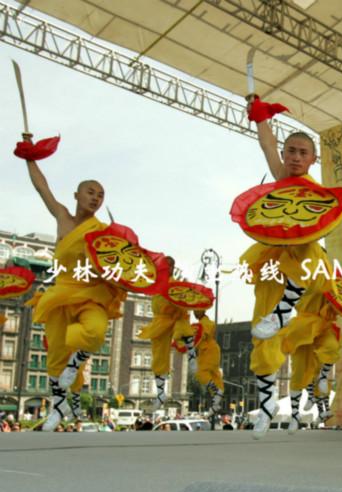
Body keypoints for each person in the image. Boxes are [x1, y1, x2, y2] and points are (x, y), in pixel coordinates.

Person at [20, 133, 127, 432]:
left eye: (101, 195)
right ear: (77, 195)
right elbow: (42, 188)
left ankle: (75, 362)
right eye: (91, 192)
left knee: (94, 332)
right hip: (60, 292)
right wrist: (30, 156)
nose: (96, 197)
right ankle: (57, 410)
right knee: (54, 355)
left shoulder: (104, 231)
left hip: (90, 293)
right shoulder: (63, 218)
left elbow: (119, 262)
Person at [242, 98, 335, 437]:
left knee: (311, 259)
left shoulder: (318, 195)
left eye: (302, 152)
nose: (295, 157)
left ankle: (283, 313)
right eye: (291, 151)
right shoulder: (281, 179)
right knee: (260, 335)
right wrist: (261, 116)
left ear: (313, 159)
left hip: (304, 258)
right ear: (285, 155)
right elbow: (266, 142)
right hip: (270, 260)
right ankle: (266, 406)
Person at [138, 257, 195, 410]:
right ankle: (161, 394)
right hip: (160, 321)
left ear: (171, 268)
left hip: (176, 318)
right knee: (158, 359)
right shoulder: (156, 284)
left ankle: (192, 356)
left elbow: (184, 303)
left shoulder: (175, 284)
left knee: (183, 329)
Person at [190, 310, 224, 416]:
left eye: (196, 311)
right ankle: (216, 403)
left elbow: (201, 337)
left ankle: (217, 392)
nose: (194, 313)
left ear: (201, 311)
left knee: (201, 374)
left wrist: (191, 346)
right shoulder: (201, 323)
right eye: (194, 311)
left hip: (209, 351)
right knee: (215, 376)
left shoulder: (206, 323)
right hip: (206, 351)